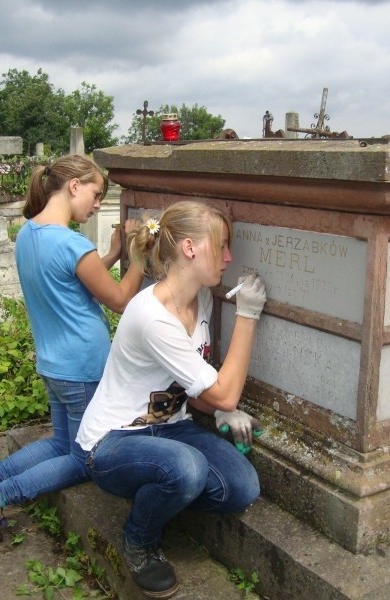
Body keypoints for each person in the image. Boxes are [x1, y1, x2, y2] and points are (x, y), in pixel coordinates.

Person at [0, 154, 145, 553]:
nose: (95, 203)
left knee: (59, 442)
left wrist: (109, 255)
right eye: (95, 193)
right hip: (84, 366)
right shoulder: (72, 243)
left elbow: (71, 278)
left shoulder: (29, 234)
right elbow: (121, 299)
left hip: (53, 363)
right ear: (74, 187)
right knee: (80, 458)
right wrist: (136, 258)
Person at [76, 200, 267, 598]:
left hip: (172, 427)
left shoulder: (203, 299)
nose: (229, 258)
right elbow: (226, 391)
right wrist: (247, 316)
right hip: (116, 440)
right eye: (222, 247)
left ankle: (163, 492)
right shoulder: (152, 316)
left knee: (242, 487)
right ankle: (139, 540)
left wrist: (216, 412)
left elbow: (193, 388)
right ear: (190, 249)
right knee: (187, 469)